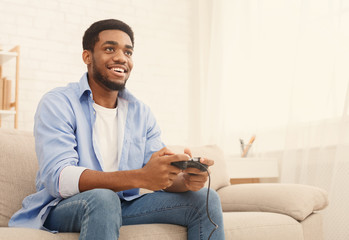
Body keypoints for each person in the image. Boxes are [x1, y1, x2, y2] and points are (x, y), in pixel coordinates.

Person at [9, 19, 225, 240]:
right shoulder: (58, 103)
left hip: (123, 204)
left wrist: (185, 180)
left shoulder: (141, 113)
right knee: (104, 198)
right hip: (63, 206)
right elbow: (59, 179)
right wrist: (140, 177)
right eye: (110, 48)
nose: (121, 57)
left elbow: (156, 177)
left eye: (128, 52)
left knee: (205, 199)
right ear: (87, 56)